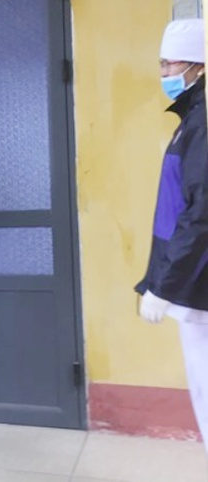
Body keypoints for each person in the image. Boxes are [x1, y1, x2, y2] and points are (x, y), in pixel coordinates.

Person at [136, 19, 208, 452]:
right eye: (161, 64)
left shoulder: (202, 124)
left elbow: (200, 215)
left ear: (198, 66)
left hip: (198, 285)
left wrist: (164, 286)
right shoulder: (192, 120)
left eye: (170, 64)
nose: (163, 72)